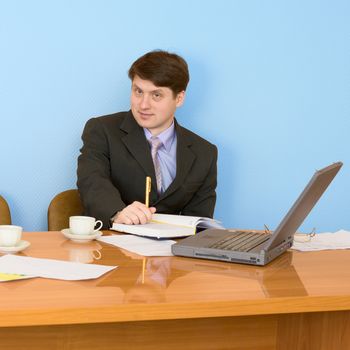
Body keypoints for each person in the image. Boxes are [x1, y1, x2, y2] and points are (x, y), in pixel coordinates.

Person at [77, 50, 218, 228]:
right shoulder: (102, 130)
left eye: (156, 95)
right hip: (110, 244)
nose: (143, 105)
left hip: (172, 251)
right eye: (138, 91)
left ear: (179, 98)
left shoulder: (205, 153)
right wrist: (117, 213)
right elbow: (92, 181)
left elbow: (199, 222)